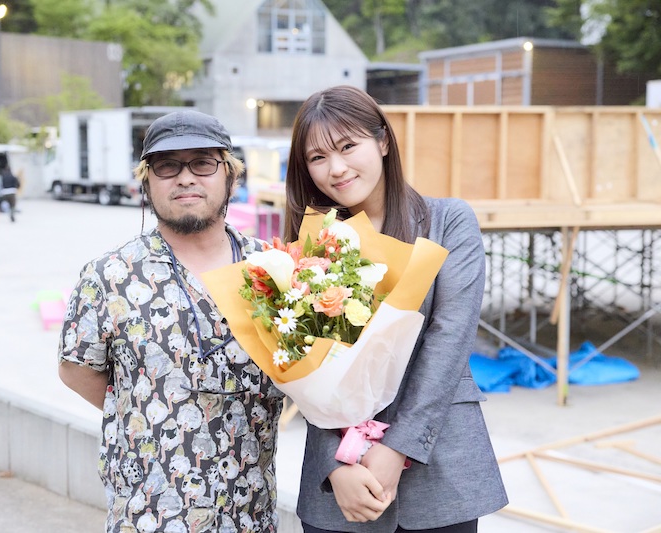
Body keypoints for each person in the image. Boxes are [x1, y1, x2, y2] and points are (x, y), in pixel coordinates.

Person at [284, 85, 508, 533]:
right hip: (342, 482)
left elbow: (449, 340)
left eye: (348, 146)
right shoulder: (312, 242)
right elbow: (300, 364)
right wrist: (335, 463)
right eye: (318, 157)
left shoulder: (448, 221)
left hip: (439, 464)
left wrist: (397, 448)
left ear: (383, 141)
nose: (336, 168)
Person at [57, 110, 285, 532]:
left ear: (231, 176)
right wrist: (148, 404)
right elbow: (76, 369)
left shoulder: (275, 270)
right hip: (150, 514)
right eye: (167, 166)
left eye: (202, 163)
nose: (185, 178)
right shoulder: (110, 276)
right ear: (146, 182)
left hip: (250, 514)